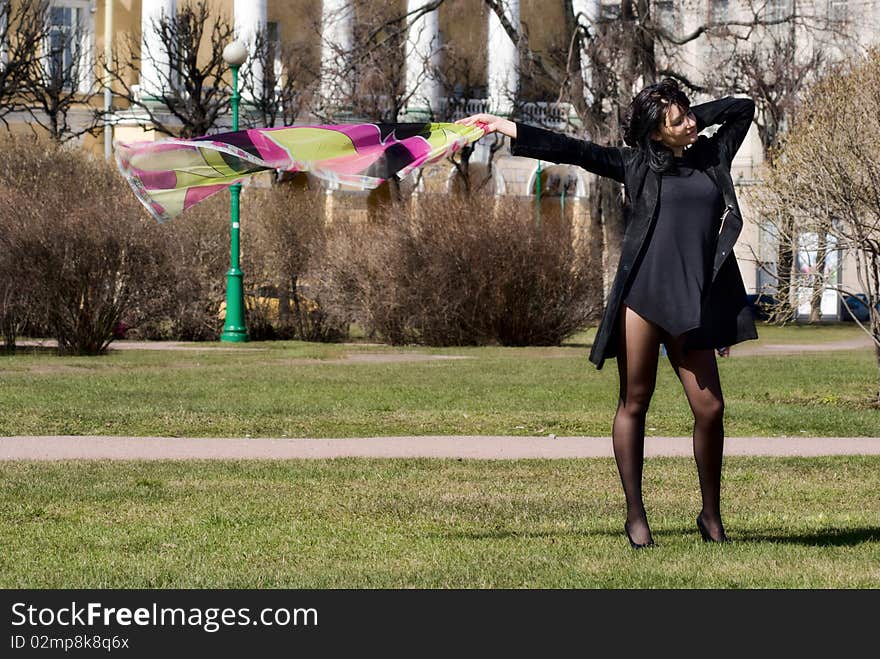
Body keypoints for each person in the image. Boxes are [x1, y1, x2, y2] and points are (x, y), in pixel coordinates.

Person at [457, 79, 758, 549]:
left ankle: (710, 515)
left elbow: (742, 107)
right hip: (643, 298)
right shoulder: (636, 165)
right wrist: (509, 127)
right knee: (634, 404)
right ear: (654, 134)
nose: (691, 123)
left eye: (688, 116)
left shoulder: (712, 154)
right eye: (677, 121)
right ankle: (635, 515)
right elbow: (572, 149)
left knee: (711, 408)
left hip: (693, 301)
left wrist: (680, 111)